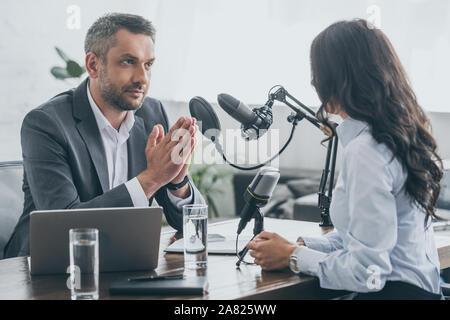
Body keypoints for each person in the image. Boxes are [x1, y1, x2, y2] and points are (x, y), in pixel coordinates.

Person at [246, 19, 444, 300]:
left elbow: (368, 271)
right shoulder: (398, 137)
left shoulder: (366, 150)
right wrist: (302, 245)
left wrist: (293, 256)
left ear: (330, 83)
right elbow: (367, 239)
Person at [4, 13, 205, 258]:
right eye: (128, 62)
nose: (142, 78)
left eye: (148, 64)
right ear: (93, 65)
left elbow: (193, 228)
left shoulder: (152, 114)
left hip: (122, 262)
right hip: (42, 270)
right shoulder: (46, 124)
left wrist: (177, 181)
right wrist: (152, 178)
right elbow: (64, 227)